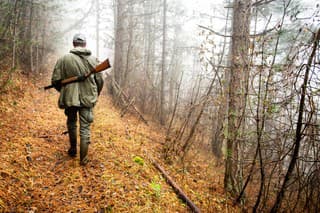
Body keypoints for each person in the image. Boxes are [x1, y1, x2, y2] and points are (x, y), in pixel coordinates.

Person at [51, 33, 104, 165]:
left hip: (70, 97)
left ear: (74, 44)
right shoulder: (94, 60)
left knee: (71, 122)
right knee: (85, 128)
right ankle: (84, 159)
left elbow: (55, 81)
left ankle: (73, 149)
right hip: (88, 98)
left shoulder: (63, 59)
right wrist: (95, 94)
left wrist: (65, 91)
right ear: (85, 44)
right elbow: (100, 81)